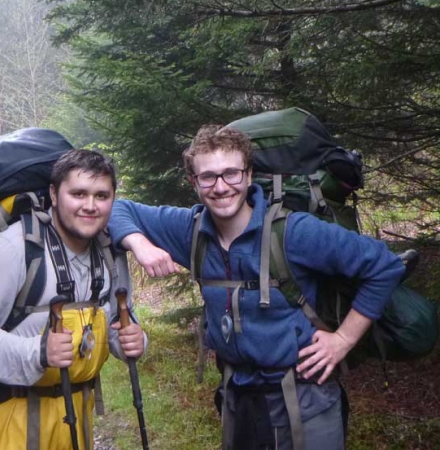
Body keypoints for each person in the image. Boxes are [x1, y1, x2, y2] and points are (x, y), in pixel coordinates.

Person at [107, 125, 405, 450]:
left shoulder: (293, 233)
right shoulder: (190, 229)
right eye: (208, 177)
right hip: (238, 398)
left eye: (231, 174)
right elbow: (116, 208)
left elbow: (384, 265)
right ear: (194, 182)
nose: (221, 187)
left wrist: (344, 339)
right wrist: (140, 245)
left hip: (304, 397)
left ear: (248, 176)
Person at [0, 149, 146, 450]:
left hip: (78, 412)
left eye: (101, 196)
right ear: (54, 194)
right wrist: (37, 352)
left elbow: (118, 317)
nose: (90, 206)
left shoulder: (110, 252)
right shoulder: (16, 248)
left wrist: (132, 339)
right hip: (12, 415)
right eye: (78, 194)